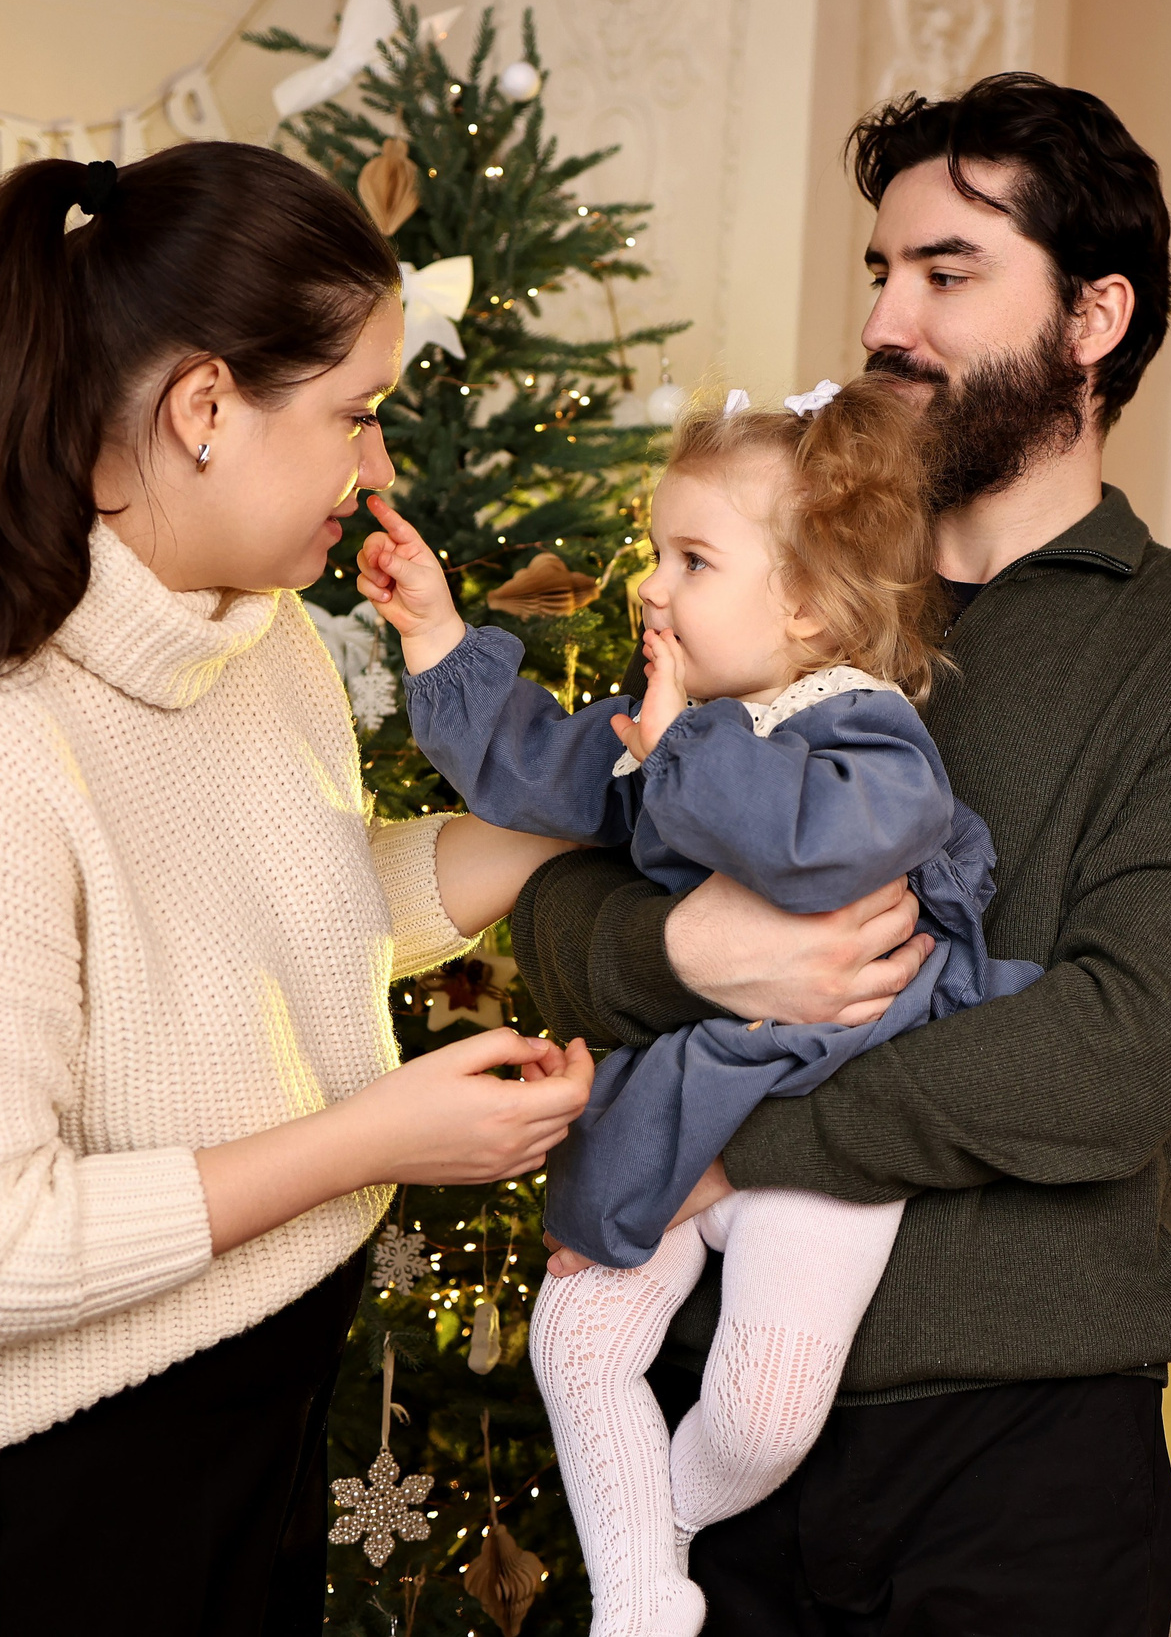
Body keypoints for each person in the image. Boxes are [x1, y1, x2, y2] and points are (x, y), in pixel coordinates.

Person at [509, 73, 1171, 1630]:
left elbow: (1114, 1053)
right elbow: (564, 890)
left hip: (1011, 1455)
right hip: (694, 1426)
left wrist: (738, 1145)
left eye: (949, 275)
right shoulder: (764, 587)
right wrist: (690, 954)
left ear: (1093, 318)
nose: (891, 321)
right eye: (883, 271)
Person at [0, 142, 594, 1637]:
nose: (380, 467)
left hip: (259, 1387)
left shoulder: (255, 636)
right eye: (356, 414)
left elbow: (285, 903)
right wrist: (373, 1136)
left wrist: (577, 843)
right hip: (69, 1476)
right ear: (206, 406)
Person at [354, 375, 1041, 1635]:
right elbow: (545, 780)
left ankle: (663, 1522)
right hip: (676, 1088)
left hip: (818, 1118)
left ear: (803, 602)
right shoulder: (680, 719)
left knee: (768, 1402)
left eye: (690, 559)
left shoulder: (869, 735)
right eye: (651, 552)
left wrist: (677, 748)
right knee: (574, 1338)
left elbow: (819, 850)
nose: (648, 589)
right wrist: (441, 643)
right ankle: (639, 1603)